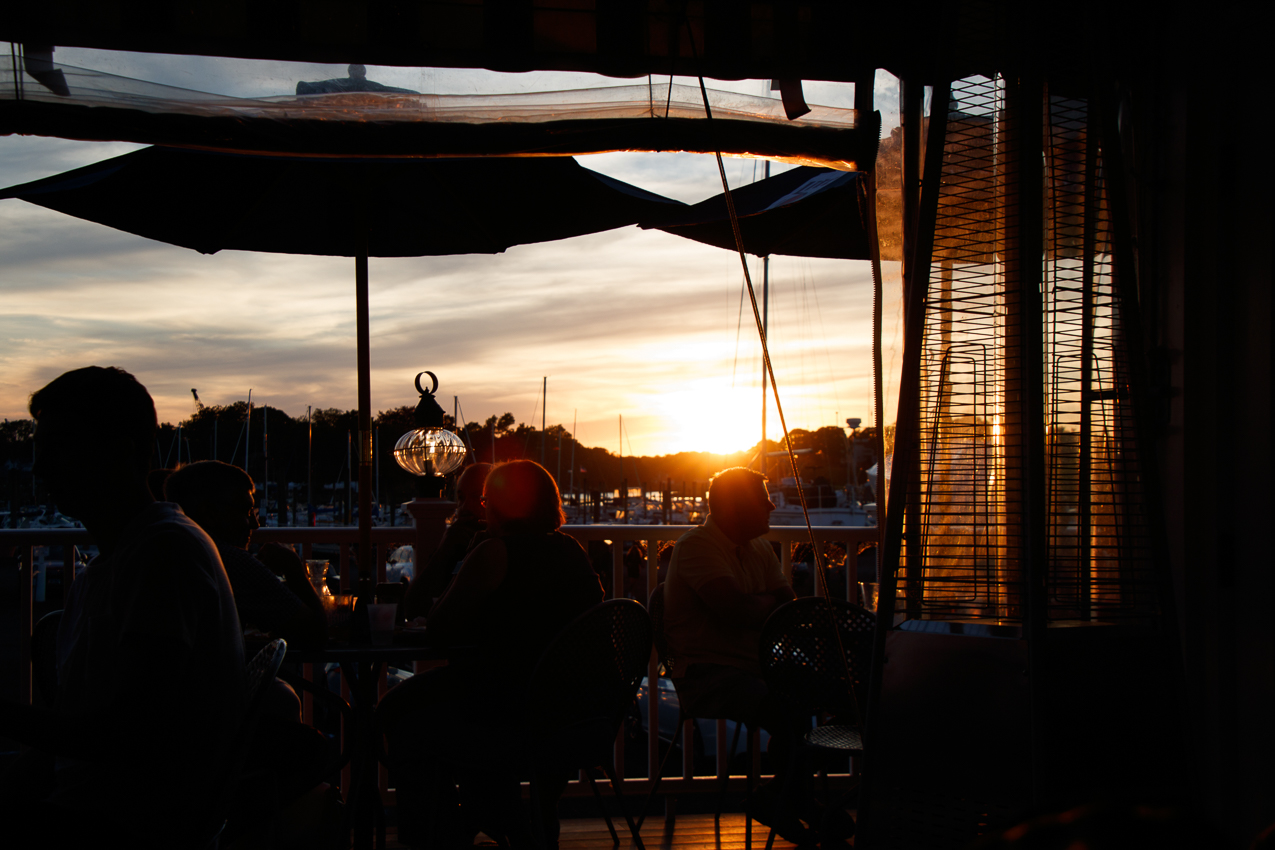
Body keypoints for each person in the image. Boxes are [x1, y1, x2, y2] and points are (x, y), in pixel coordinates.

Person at [0, 366, 246, 849]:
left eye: (62, 446)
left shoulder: (163, 555)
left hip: (123, 827)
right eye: (39, 448)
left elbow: (128, 737)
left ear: (123, 451)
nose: (40, 468)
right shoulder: (123, 560)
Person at [379, 460, 603, 849]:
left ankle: (440, 835)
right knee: (412, 706)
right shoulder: (571, 551)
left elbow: (438, 629)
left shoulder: (495, 551)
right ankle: (504, 819)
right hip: (574, 714)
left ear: (499, 505)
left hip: (511, 711)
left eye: (483, 500)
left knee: (396, 715)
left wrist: (461, 553)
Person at [665, 466, 830, 844]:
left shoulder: (757, 547)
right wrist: (764, 603)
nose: (772, 506)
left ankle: (786, 797)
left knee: (829, 695)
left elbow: (787, 607)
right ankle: (783, 799)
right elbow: (734, 610)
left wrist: (761, 604)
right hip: (706, 675)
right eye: (762, 499)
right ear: (737, 507)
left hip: (756, 669)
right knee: (788, 709)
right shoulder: (697, 545)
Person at [165, 459, 327, 651]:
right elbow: (316, 634)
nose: (255, 524)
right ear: (209, 514)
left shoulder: (168, 551)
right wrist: (293, 568)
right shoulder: (230, 561)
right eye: (246, 511)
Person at [402, 461, 493, 619]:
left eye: (477, 497)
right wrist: (445, 548)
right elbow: (413, 607)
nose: (465, 507)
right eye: (461, 497)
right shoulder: (454, 544)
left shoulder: (500, 548)